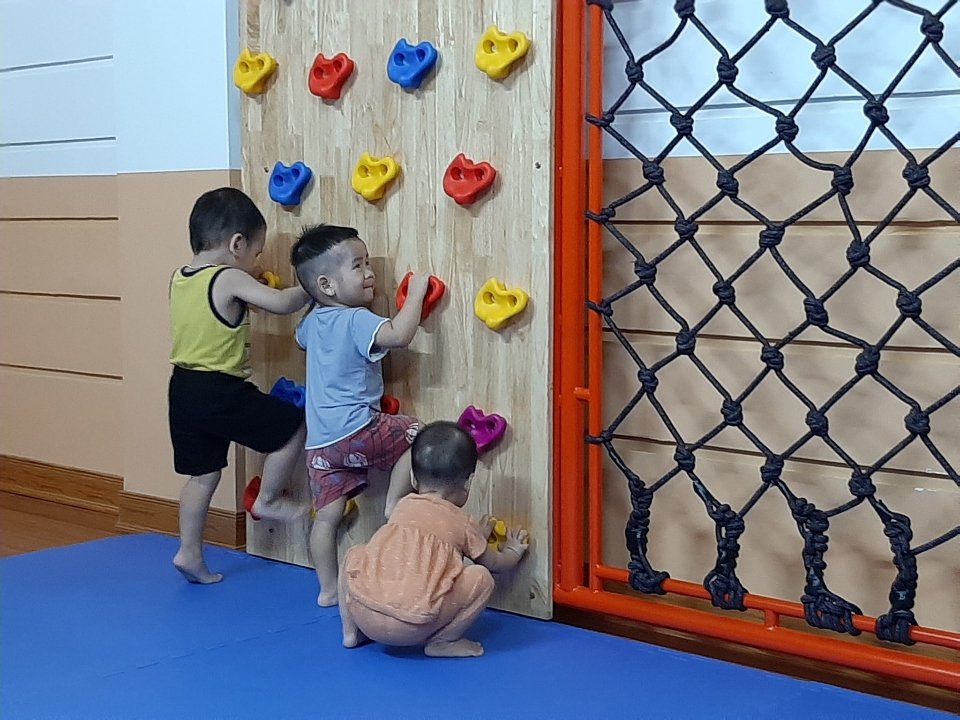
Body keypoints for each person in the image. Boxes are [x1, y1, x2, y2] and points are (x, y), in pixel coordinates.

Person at [168, 187, 310, 584]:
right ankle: (268, 500)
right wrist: (311, 285)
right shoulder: (228, 276)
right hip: (220, 390)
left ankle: (188, 551)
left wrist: (250, 288)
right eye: (257, 253)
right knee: (292, 427)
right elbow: (280, 304)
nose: (257, 262)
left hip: (183, 389)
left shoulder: (180, 278)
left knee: (203, 476)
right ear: (236, 244)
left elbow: (212, 318)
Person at [290, 223, 430, 606]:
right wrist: (416, 294)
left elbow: (299, 339)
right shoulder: (355, 318)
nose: (369, 272)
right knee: (417, 434)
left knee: (326, 518)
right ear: (327, 285)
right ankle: (394, 503)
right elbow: (399, 335)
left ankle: (327, 589)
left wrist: (312, 300)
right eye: (357, 265)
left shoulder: (312, 323)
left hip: (320, 445)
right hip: (356, 429)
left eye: (368, 262)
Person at [338, 421, 528, 657]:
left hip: (364, 612)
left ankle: (351, 632)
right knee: (482, 578)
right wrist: (513, 550)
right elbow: (495, 564)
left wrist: (475, 537)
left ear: (413, 479)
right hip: (411, 627)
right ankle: (444, 641)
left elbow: (425, 543)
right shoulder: (463, 523)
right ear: (468, 483)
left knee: (354, 553)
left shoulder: (402, 507)